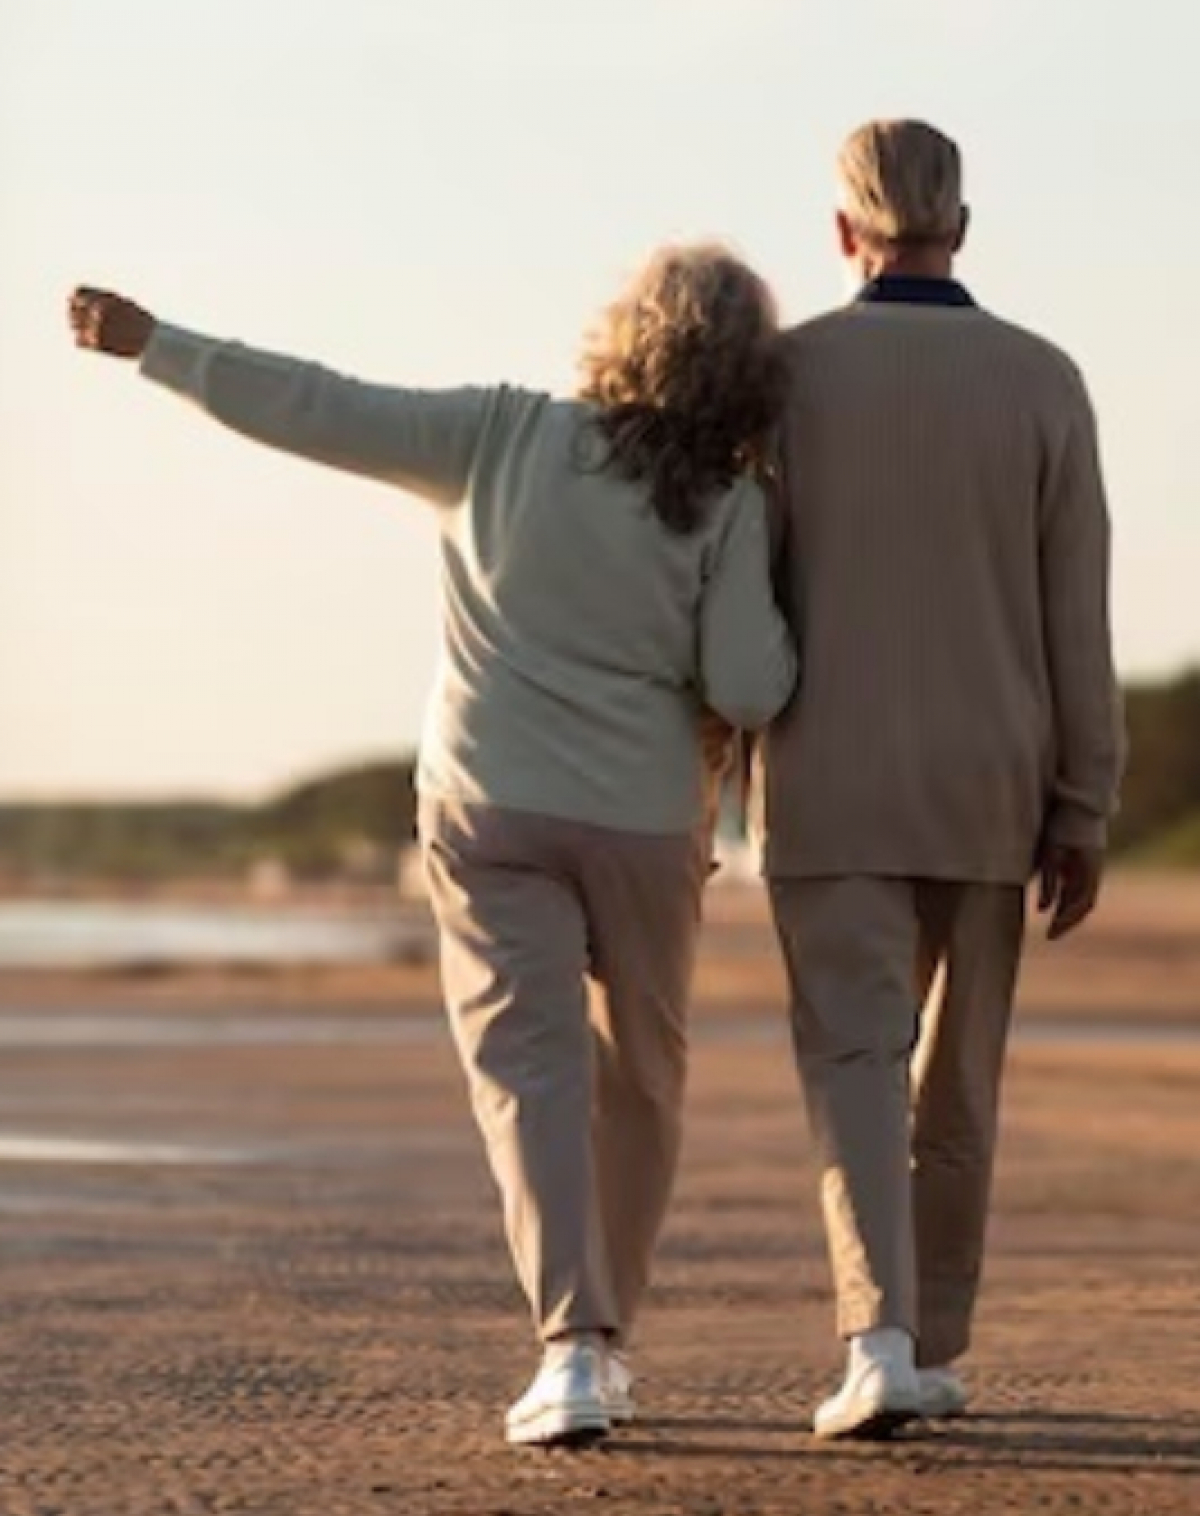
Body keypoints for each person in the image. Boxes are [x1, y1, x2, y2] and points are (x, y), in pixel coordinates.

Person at [68, 247, 798, 1448]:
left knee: (533, 1074)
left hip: (490, 801)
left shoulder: (500, 436)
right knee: (644, 1078)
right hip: (643, 819)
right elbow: (749, 685)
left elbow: (321, 404)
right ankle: (603, 1343)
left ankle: (569, 1351)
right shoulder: (729, 496)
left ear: (622, 331)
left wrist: (161, 345)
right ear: (746, 369)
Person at [761, 120, 1125, 1440]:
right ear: (962, 224)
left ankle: (882, 1337)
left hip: (826, 776)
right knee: (957, 1083)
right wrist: (1085, 802)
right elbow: (1073, 610)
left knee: (856, 1062)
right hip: (993, 783)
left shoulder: (787, 375)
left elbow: (740, 600)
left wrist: (705, 765)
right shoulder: (1043, 378)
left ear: (842, 231)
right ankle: (925, 1339)